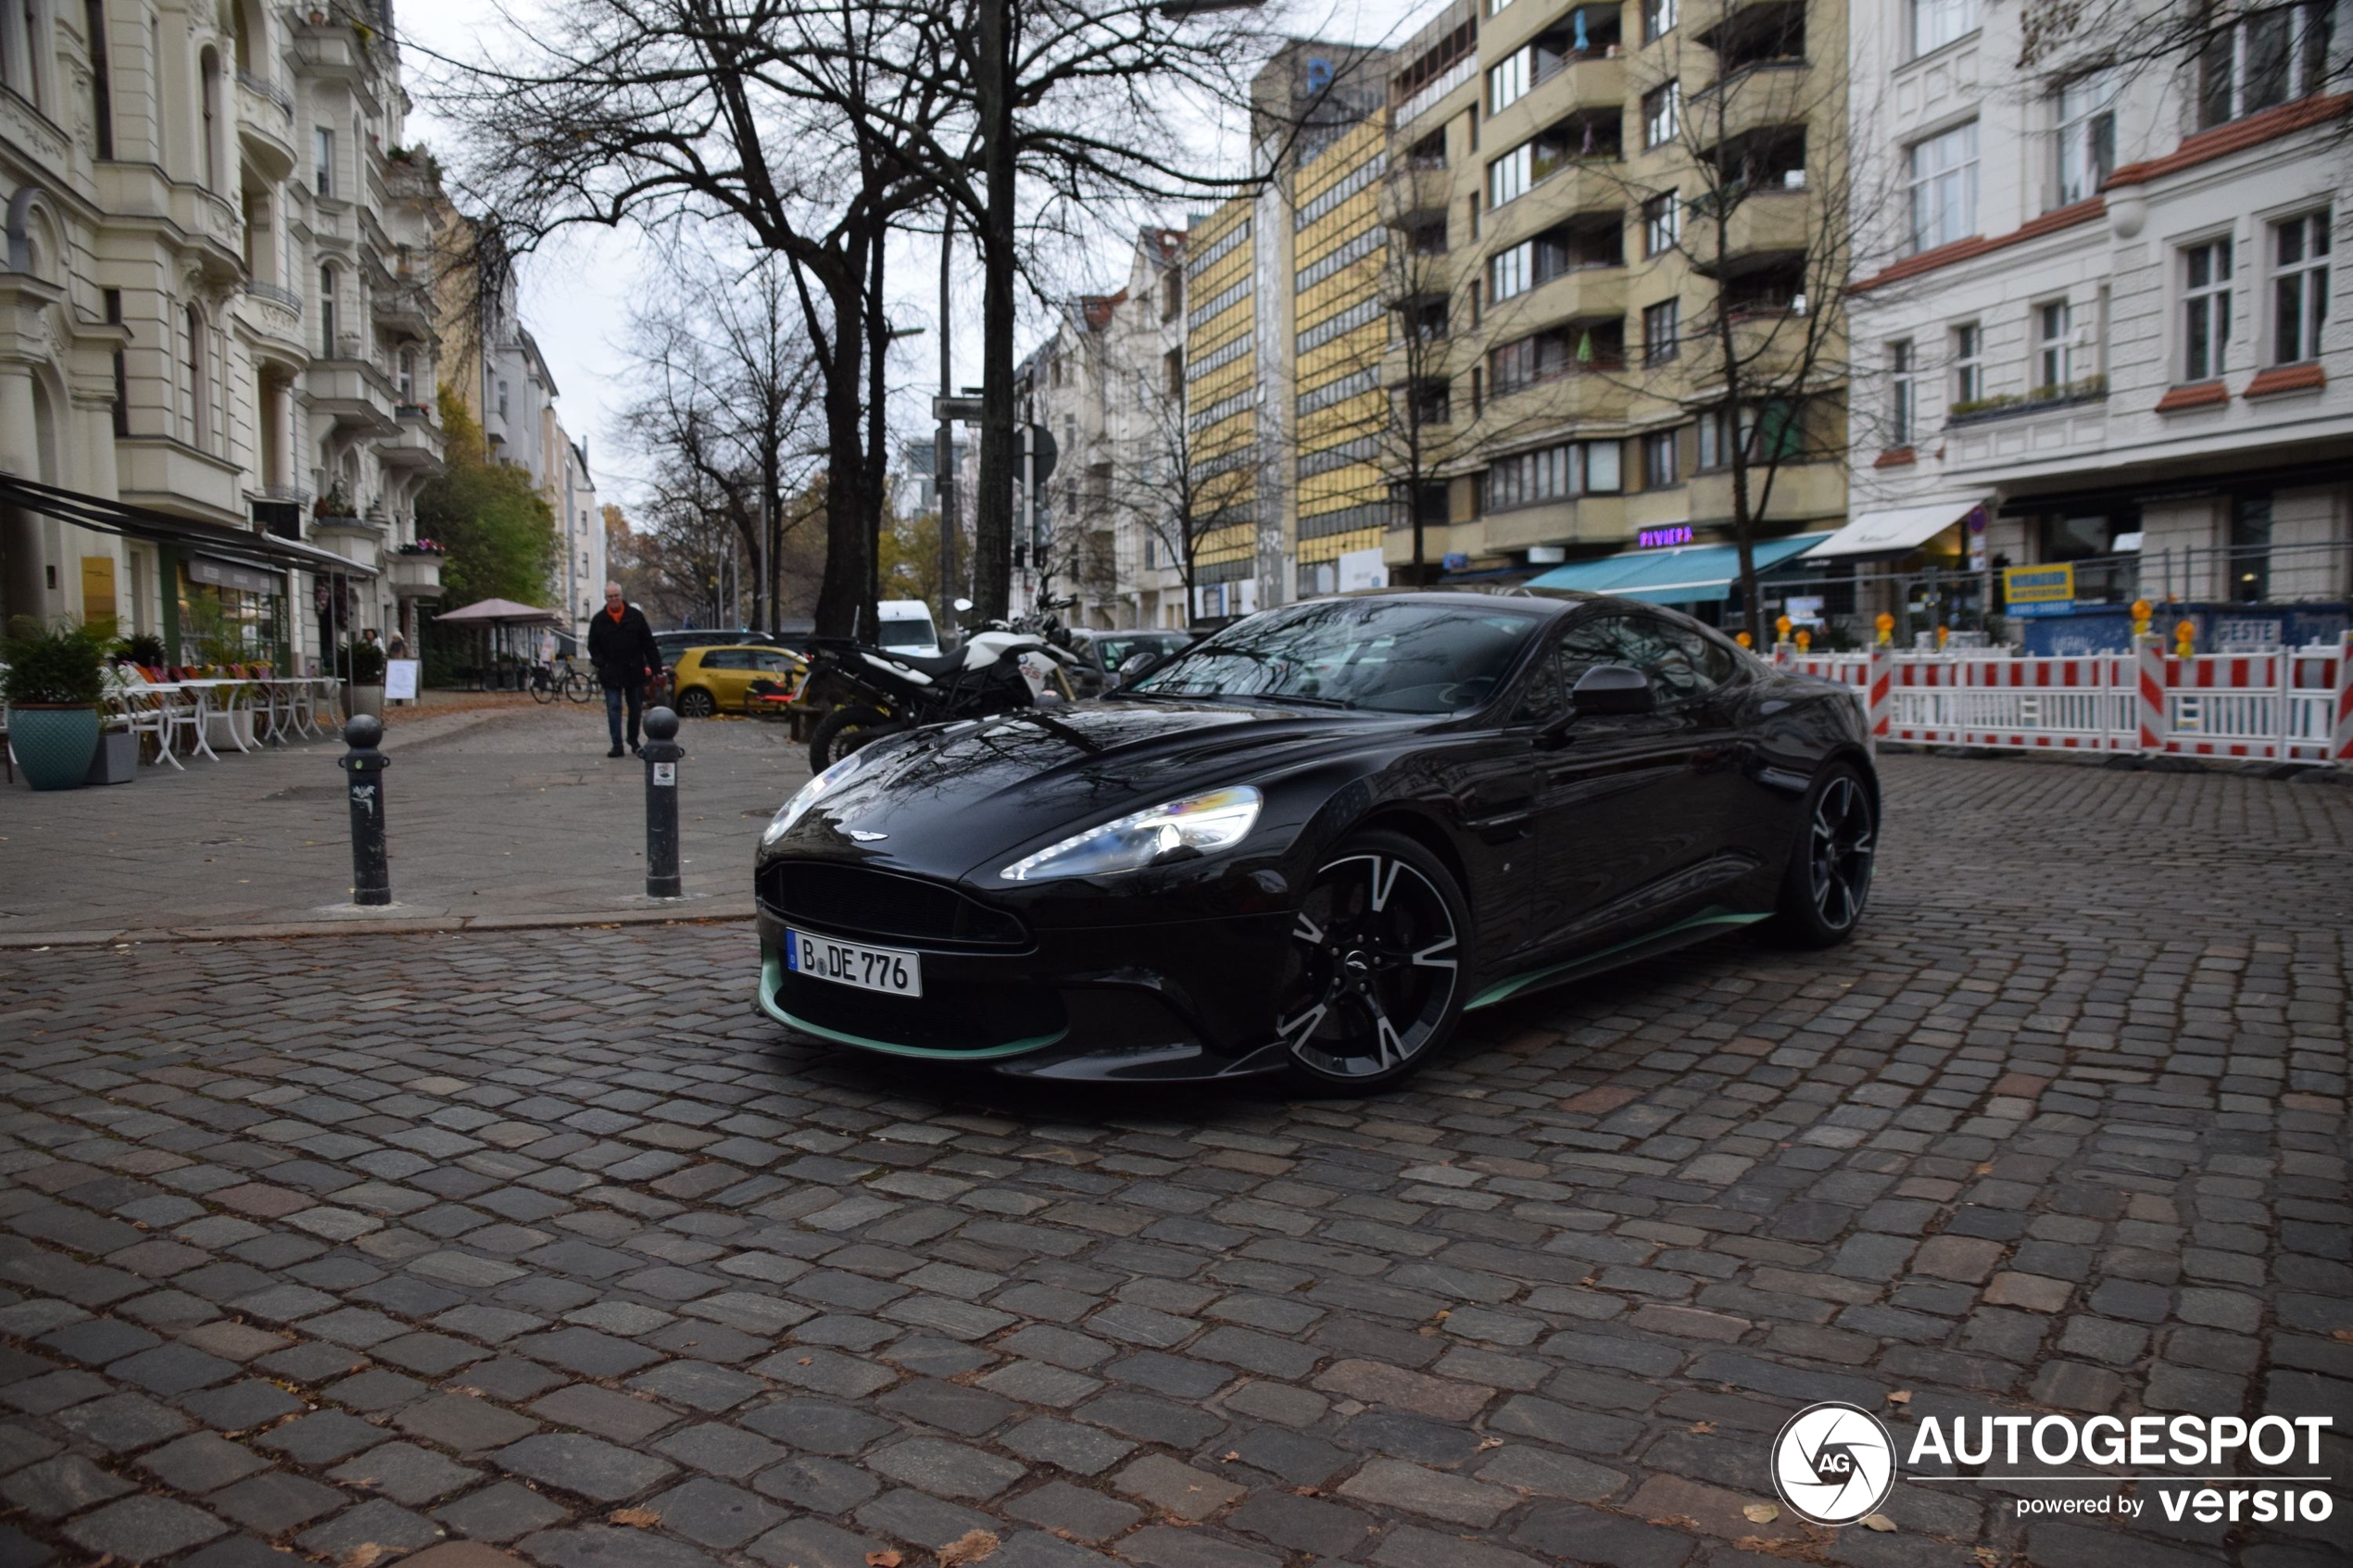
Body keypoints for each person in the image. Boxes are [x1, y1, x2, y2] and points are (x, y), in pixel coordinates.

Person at [586, 582, 660, 758]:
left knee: (635, 708)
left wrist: (656, 667)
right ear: (606, 598)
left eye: (616, 596)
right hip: (610, 671)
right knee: (614, 707)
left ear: (621, 596)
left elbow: (648, 643)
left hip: (633, 670)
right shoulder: (599, 620)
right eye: (610, 596)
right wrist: (601, 663)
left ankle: (633, 740)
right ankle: (617, 744)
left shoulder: (635, 616)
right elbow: (593, 645)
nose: (613, 599)